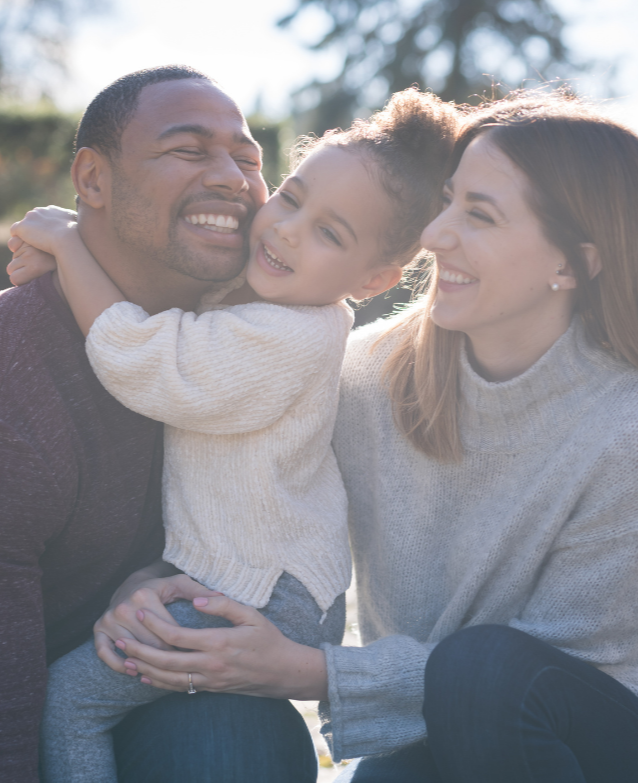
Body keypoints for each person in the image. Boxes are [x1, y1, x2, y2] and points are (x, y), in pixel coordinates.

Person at [84, 90, 638, 783]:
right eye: (449, 201)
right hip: (433, 735)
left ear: (575, 265)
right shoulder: (366, 375)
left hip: (599, 742)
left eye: (481, 216)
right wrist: (158, 578)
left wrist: (308, 669)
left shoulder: (623, 433)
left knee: (485, 671)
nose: (435, 236)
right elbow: (249, 487)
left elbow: (559, 669)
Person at [9, 89, 459, 783]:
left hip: (259, 592)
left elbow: (148, 360)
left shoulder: (293, 332)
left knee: (72, 702)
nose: (284, 230)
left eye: (329, 233)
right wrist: (74, 261)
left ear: (373, 279)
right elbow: (156, 284)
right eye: (292, 198)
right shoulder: (263, 295)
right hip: (231, 571)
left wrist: (70, 248)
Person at [0, 64, 270, 783]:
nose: (234, 179)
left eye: (249, 159)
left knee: (237, 732)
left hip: (127, 690)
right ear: (91, 180)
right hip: (32, 716)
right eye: (188, 150)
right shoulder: (15, 367)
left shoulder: (258, 351)